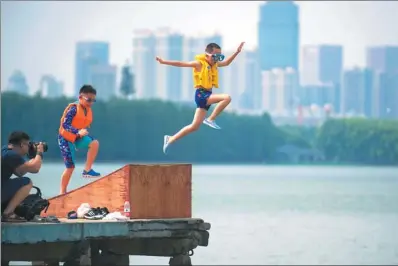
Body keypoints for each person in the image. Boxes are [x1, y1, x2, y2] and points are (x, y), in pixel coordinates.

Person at [156, 42, 245, 154]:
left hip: (207, 95)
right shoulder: (199, 64)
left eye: (219, 56)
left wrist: (236, 52)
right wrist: (163, 62)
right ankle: (210, 119)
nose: (217, 59)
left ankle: (170, 139)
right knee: (227, 98)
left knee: (194, 126)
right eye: (215, 56)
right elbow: (181, 63)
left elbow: (226, 63)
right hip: (202, 94)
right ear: (207, 55)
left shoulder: (214, 64)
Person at [58, 84, 100, 195]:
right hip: (65, 139)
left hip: (78, 137)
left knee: (94, 143)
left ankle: (87, 170)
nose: (91, 103)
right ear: (80, 97)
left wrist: (79, 134)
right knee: (70, 167)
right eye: (89, 99)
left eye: (93, 100)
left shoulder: (87, 110)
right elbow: (65, 124)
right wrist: (77, 131)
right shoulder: (73, 109)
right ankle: (62, 192)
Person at [1, 131, 44, 221]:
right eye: (28, 145)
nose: (29, 147)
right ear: (21, 145)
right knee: (27, 182)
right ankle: (8, 213)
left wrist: (33, 157)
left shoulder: (5, 151)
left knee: (22, 180)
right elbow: (35, 168)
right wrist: (39, 153)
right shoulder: (11, 155)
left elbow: (20, 172)